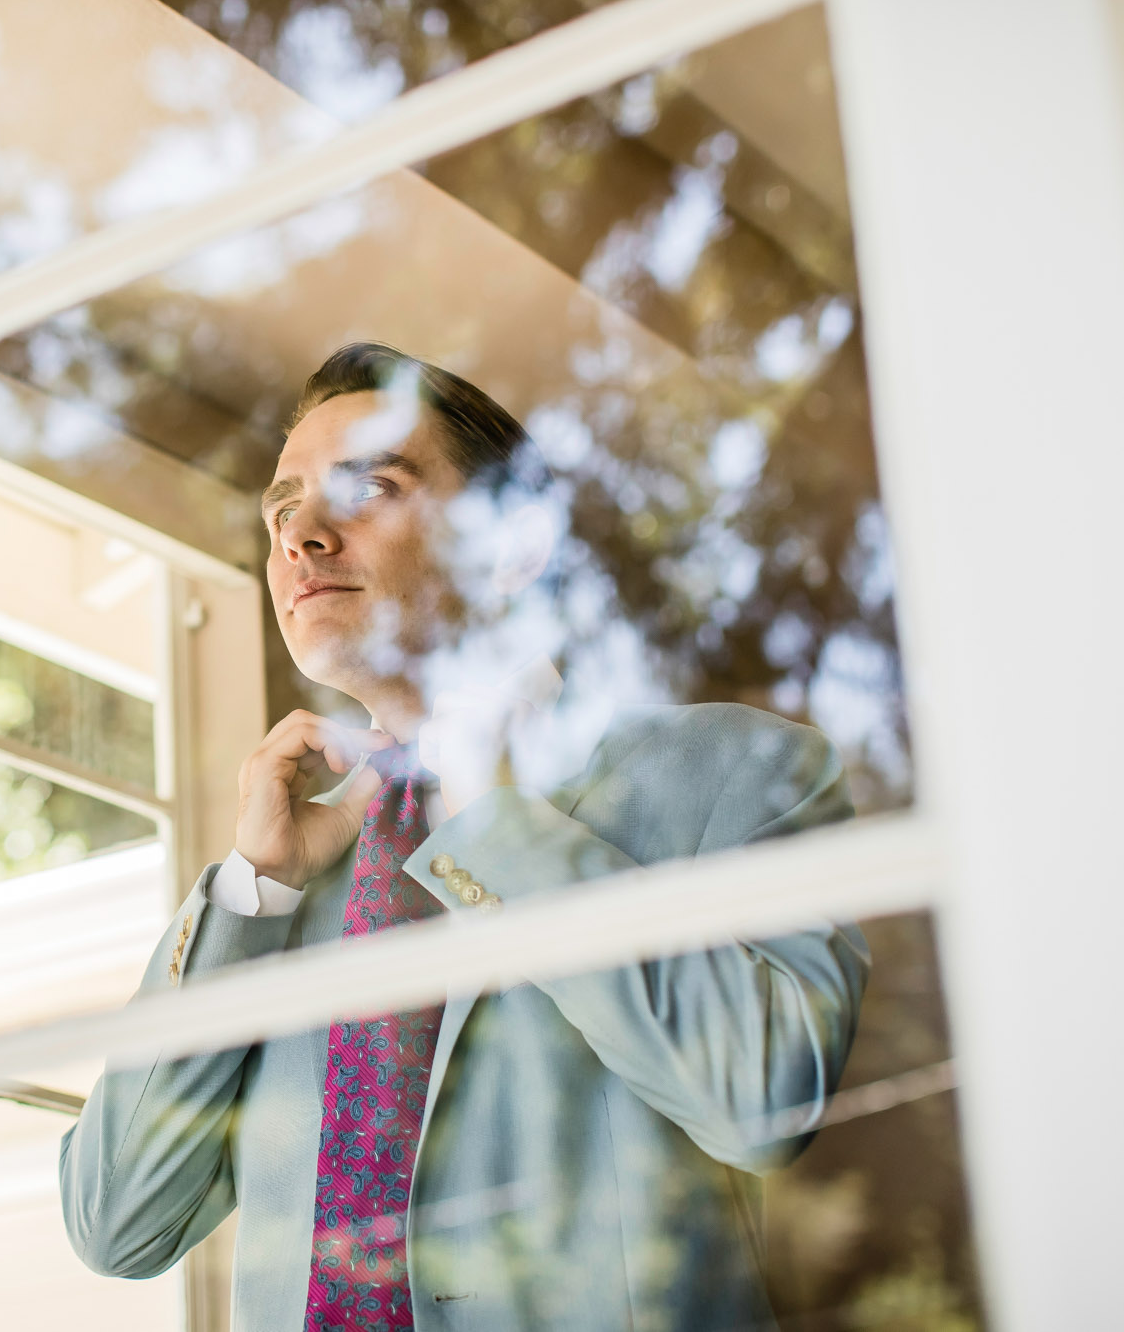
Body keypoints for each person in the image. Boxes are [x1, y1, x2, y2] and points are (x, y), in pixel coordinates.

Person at [58, 343, 869, 1330]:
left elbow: (760, 1098)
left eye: (368, 488)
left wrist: (487, 817)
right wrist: (251, 891)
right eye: (282, 509)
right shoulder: (283, 881)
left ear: (511, 546)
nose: (299, 535)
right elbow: (114, 1225)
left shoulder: (734, 771)